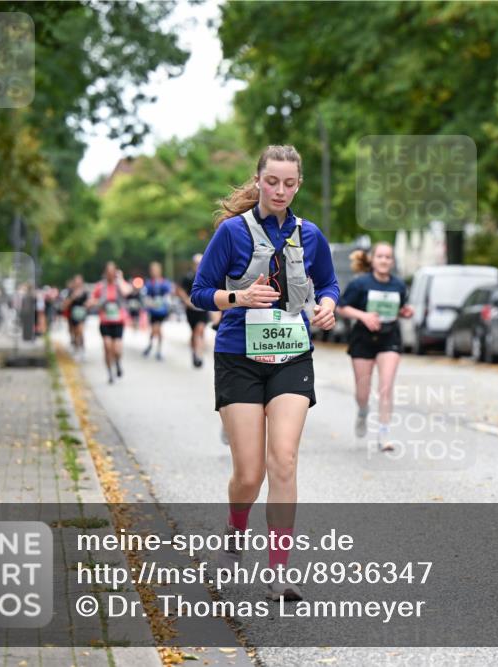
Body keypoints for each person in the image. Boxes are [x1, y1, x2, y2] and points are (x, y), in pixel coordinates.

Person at [190, 145, 338, 601]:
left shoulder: (310, 234)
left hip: (292, 354)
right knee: (250, 474)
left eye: (289, 183)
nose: (280, 190)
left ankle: (278, 574)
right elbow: (199, 292)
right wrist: (237, 299)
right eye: (272, 181)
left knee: (284, 461)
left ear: (299, 185)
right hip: (239, 356)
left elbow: (328, 282)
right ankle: (235, 536)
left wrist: (328, 305)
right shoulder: (232, 233)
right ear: (258, 180)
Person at [336, 243, 414, 451]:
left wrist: (404, 312)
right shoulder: (360, 284)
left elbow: (398, 309)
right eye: (380, 256)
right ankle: (362, 411)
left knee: (386, 387)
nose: (384, 260)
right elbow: (340, 307)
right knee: (363, 391)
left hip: (389, 337)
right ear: (372, 260)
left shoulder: (398, 285)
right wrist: (363, 316)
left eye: (388, 257)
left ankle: (384, 434)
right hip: (362, 339)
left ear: (392, 261)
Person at [87, 262, 132, 384]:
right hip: (105, 321)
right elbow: (91, 299)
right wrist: (93, 302)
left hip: (118, 321)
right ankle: (110, 372)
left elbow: (127, 292)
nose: (111, 274)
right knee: (107, 347)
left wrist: (120, 278)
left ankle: (117, 363)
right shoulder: (100, 286)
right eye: (108, 272)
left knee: (117, 349)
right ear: (105, 273)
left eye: (113, 272)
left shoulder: (119, 285)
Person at [176, 253, 219, 369]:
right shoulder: (188, 277)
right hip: (191, 310)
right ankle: (194, 352)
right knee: (195, 332)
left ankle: (199, 356)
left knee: (199, 330)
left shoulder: (208, 276)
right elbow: (179, 290)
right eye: (197, 263)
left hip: (203, 309)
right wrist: (187, 301)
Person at [142, 261, 173, 361]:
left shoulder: (164, 283)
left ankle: (157, 349)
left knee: (158, 329)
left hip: (162, 310)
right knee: (154, 329)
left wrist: (167, 304)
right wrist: (149, 303)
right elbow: (145, 296)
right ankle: (151, 345)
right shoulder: (149, 283)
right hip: (153, 310)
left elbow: (168, 295)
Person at [64, 275, 90, 359]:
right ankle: (77, 348)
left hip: (82, 314)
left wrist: (87, 306)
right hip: (73, 314)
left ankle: (82, 349)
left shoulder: (85, 292)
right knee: (75, 333)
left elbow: (89, 302)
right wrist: (73, 297)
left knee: (80, 331)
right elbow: (66, 304)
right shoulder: (71, 292)